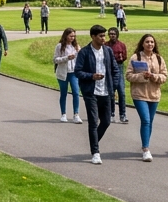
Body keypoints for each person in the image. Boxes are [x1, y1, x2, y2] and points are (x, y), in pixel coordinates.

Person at [74, 25, 116, 164]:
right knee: (93, 121)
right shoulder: (84, 52)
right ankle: (95, 152)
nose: (104, 38)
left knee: (106, 121)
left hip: (106, 91)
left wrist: (114, 86)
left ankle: (94, 140)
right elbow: (78, 71)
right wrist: (92, 76)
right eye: (101, 36)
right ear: (93, 36)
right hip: (91, 92)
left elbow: (115, 70)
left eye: (104, 35)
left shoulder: (108, 51)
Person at [127, 34, 167, 161]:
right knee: (146, 120)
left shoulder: (159, 59)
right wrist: (141, 76)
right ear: (142, 44)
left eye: (152, 42)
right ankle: (146, 149)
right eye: (147, 42)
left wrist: (154, 76)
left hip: (154, 94)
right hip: (139, 94)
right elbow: (128, 75)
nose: (150, 44)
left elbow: (164, 76)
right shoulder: (136, 57)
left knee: (150, 121)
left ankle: (146, 144)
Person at [54, 28, 82, 123]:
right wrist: (66, 58)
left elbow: (81, 59)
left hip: (73, 73)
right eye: (70, 36)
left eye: (74, 36)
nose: (72, 38)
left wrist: (79, 52)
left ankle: (76, 114)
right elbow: (55, 59)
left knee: (76, 92)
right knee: (64, 93)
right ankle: (63, 114)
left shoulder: (76, 46)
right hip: (63, 73)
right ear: (66, 36)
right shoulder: (60, 46)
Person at [108, 27, 129, 123]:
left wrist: (118, 58)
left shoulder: (121, 45)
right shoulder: (106, 45)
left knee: (122, 92)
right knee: (111, 93)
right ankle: (111, 113)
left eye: (113, 34)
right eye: (110, 34)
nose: (112, 35)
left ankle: (122, 114)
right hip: (109, 69)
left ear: (117, 35)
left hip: (119, 68)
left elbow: (124, 56)